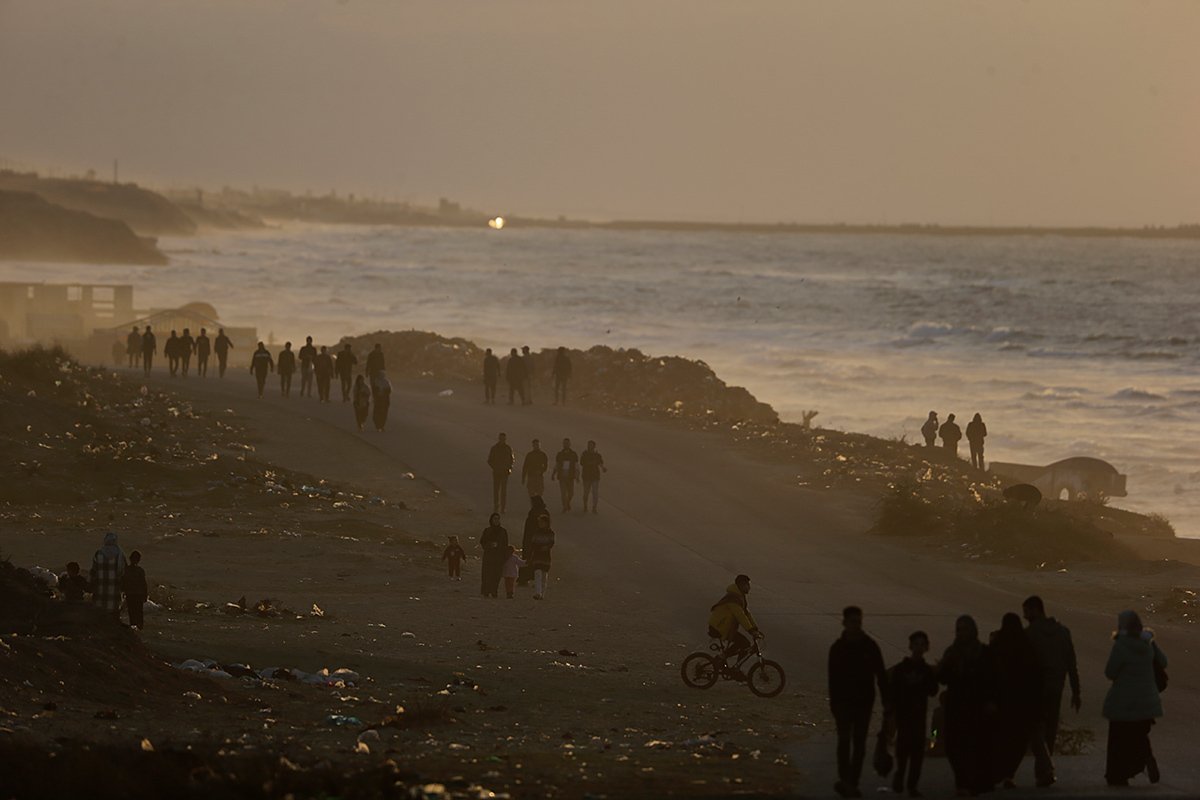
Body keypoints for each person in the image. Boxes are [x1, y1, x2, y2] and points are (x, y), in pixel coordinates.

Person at [828, 606, 887, 799]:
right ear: (845, 623)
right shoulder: (838, 648)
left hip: (863, 703)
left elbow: (881, 675)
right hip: (843, 703)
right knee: (845, 742)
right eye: (853, 621)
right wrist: (834, 705)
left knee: (859, 744)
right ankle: (846, 780)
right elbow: (833, 680)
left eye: (858, 622)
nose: (856, 625)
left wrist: (887, 701)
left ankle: (852, 782)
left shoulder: (869, 646)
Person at [1102, 610, 1166, 787]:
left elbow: (1110, 672)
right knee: (1139, 735)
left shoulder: (1121, 645)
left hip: (1124, 701)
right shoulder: (1147, 643)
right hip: (1147, 700)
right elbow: (1164, 662)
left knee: (1118, 739)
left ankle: (1117, 775)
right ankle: (1144, 758)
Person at [1023, 595, 1081, 788]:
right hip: (1057, 686)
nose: (1025, 616)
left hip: (1036, 688)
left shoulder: (1030, 633)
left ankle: (1045, 768)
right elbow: (1071, 663)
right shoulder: (1063, 632)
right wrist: (1076, 691)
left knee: (1034, 727)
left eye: (1027, 611)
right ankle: (1043, 773)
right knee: (1050, 729)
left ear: (1035, 610)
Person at [937, 615, 996, 797]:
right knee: (953, 746)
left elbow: (993, 679)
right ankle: (962, 782)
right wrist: (945, 667)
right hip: (956, 706)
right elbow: (943, 678)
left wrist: (992, 701)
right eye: (958, 629)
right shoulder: (952, 652)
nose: (961, 633)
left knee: (976, 746)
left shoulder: (983, 653)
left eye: (965, 629)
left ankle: (973, 783)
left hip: (977, 707)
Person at [989, 612, 1041, 788]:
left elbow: (989, 673)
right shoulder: (1026, 646)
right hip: (1022, 703)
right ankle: (1009, 773)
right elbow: (1035, 676)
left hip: (1002, 701)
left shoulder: (997, 645)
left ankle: (998, 772)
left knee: (1001, 737)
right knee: (1018, 740)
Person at [889, 631, 938, 798]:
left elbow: (933, 690)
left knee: (917, 752)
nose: (919, 648)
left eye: (922, 644)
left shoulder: (925, 670)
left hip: (918, 715)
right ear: (911, 646)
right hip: (904, 715)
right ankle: (901, 775)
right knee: (903, 750)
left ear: (926, 647)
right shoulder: (902, 669)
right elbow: (894, 689)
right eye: (916, 644)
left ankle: (911, 785)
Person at [706, 574, 761, 668]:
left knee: (743, 644)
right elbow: (740, 616)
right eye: (746, 585)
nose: (749, 587)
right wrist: (751, 631)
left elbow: (747, 613)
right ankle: (731, 664)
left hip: (725, 626)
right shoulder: (733, 598)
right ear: (741, 585)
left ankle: (731, 663)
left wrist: (755, 628)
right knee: (744, 643)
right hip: (719, 627)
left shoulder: (739, 597)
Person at [89, 532, 127, 622]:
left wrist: (89, 584)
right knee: (114, 611)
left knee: (100, 611)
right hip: (114, 588)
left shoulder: (98, 554)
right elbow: (123, 572)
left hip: (100, 588)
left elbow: (93, 571)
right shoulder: (120, 555)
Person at [519, 495, 549, 586]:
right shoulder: (544, 512)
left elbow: (528, 529)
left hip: (532, 540)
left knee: (529, 559)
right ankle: (537, 580)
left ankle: (524, 579)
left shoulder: (533, 513)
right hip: (540, 541)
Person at [478, 513, 508, 598]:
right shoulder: (487, 530)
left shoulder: (503, 531)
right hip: (488, 556)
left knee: (496, 575)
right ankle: (486, 591)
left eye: (498, 519)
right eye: (495, 519)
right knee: (487, 574)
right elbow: (482, 542)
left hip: (498, 557)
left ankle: (494, 591)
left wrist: (504, 556)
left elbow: (505, 544)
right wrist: (490, 545)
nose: (496, 520)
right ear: (491, 520)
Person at [526, 514, 555, 600]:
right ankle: (538, 593)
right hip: (537, 555)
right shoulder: (536, 532)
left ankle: (542, 593)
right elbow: (533, 543)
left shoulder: (550, 533)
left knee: (544, 575)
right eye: (540, 522)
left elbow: (551, 543)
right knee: (537, 573)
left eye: (542, 522)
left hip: (545, 556)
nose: (540, 524)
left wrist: (546, 547)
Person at [487, 433, 515, 513]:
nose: (502, 440)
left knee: (503, 491)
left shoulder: (508, 448)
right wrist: (495, 467)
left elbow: (511, 460)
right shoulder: (495, 448)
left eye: (504, 439)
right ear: (499, 439)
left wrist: (509, 468)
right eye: (501, 439)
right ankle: (496, 506)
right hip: (497, 472)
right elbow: (490, 460)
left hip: (504, 472)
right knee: (496, 490)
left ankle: (503, 507)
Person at [552, 438, 579, 512]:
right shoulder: (560, 454)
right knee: (563, 493)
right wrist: (553, 473)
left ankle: (567, 502)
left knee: (571, 493)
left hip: (570, 476)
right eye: (564, 443)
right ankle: (564, 506)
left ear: (570, 444)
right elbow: (557, 465)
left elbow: (576, 466)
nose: (566, 445)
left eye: (567, 443)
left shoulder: (573, 454)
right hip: (562, 476)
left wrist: (577, 476)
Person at [123, 550, 148, 630]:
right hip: (138, 595)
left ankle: (133, 629)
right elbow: (144, 584)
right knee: (139, 614)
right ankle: (139, 629)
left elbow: (124, 582)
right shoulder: (140, 570)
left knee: (132, 614)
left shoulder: (126, 570)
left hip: (130, 595)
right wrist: (145, 595)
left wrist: (124, 591)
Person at [580, 440, 607, 513]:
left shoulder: (597, 455)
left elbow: (600, 463)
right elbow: (581, 463)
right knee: (586, 493)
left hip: (595, 476)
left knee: (595, 493)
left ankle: (594, 507)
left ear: (594, 446)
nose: (590, 447)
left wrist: (603, 468)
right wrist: (590, 463)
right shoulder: (585, 454)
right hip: (586, 476)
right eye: (589, 445)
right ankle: (585, 506)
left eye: (591, 445)